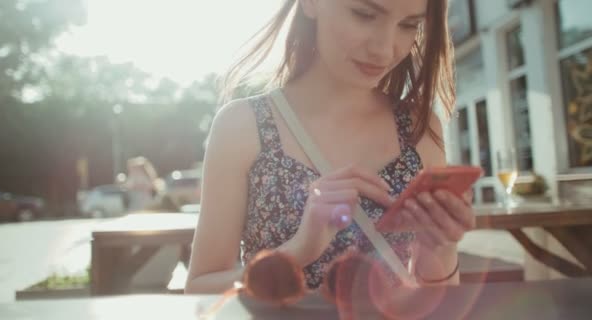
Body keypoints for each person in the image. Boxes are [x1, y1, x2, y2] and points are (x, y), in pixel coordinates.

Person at [185, 0, 475, 294]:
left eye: (409, 25)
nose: (385, 49)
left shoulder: (419, 127)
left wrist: (440, 248)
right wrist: (297, 250)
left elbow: (437, 304)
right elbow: (199, 289)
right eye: (364, 15)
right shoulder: (242, 125)